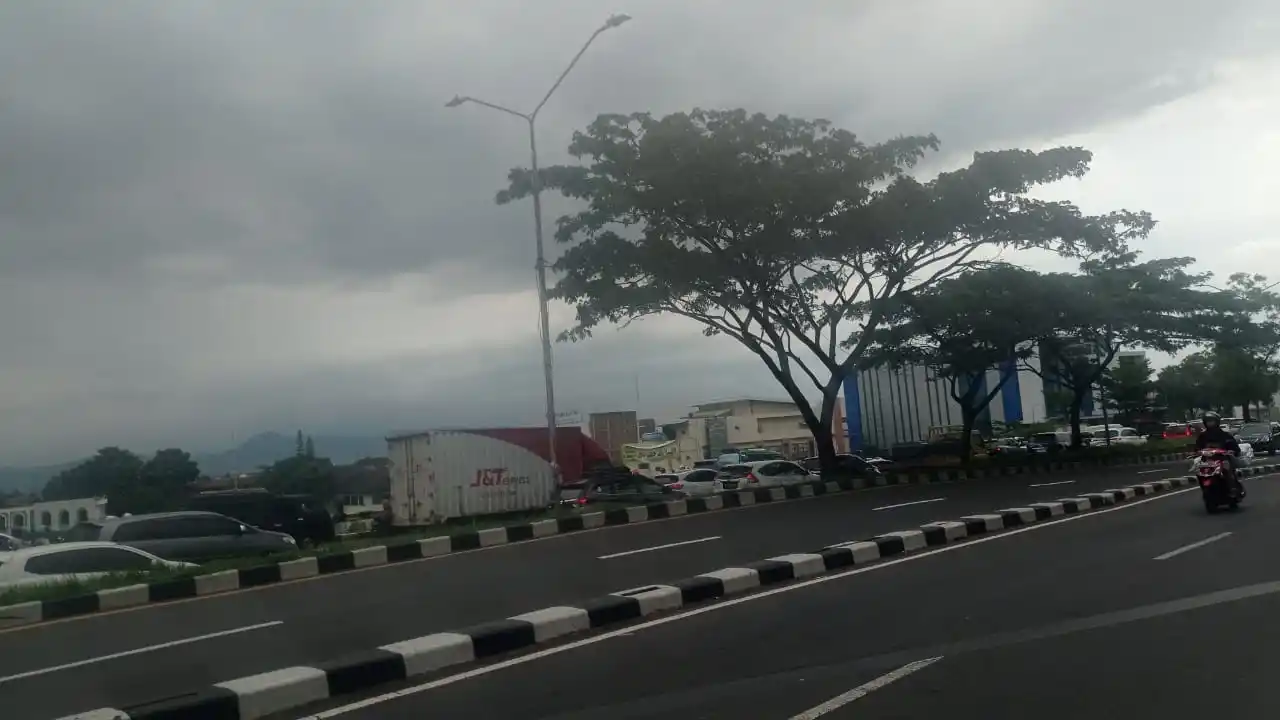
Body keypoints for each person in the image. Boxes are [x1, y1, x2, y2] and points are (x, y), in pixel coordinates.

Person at [1195, 411, 1244, 494]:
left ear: (1217, 421)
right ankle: (1205, 489)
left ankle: (1233, 488)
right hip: (1207, 461)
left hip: (1223, 459)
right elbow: (1197, 448)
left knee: (1227, 469)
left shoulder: (1225, 435)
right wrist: (1197, 452)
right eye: (1208, 421)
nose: (1209, 423)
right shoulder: (1202, 436)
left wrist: (1231, 451)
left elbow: (1234, 447)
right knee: (1199, 472)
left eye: (1211, 421)